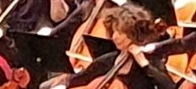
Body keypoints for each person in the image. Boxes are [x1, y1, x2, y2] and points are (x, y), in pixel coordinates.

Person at [48, 5, 177, 89]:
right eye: (114, 31)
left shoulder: (150, 63)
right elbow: (78, 79)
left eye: (120, 32)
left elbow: (169, 87)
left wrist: (144, 64)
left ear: (133, 35)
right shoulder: (108, 61)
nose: (115, 36)